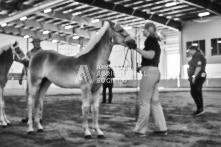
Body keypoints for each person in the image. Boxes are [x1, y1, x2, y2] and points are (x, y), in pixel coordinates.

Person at [133, 22, 167, 137]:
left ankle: (140, 130)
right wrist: (141, 67)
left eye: (143, 29)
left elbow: (150, 55)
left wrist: (136, 49)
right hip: (155, 72)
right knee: (155, 102)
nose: (142, 31)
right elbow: (152, 59)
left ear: (148, 29)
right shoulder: (155, 41)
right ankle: (161, 128)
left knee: (144, 102)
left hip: (149, 73)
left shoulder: (149, 40)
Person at [19, 37, 43, 123]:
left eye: (39, 42)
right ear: (33, 43)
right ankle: (28, 115)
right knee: (28, 97)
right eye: (36, 42)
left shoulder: (43, 53)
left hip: (40, 77)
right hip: (30, 77)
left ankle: (39, 116)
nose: (38, 43)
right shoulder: (29, 53)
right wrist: (21, 76)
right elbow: (24, 65)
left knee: (39, 97)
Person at [187, 46, 207, 116]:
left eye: (189, 51)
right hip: (199, 76)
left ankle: (200, 109)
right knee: (198, 93)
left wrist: (193, 76)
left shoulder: (197, 55)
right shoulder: (197, 55)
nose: (189, 52)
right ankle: (200, 109)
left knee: (194, 92)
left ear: (193, 50)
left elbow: (198, 67)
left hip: (198, 77)